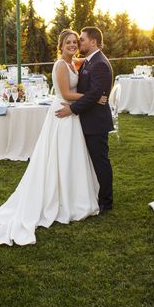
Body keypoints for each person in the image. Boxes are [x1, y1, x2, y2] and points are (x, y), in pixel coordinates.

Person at [0, 29, 104, 246]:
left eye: (74, 42)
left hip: (72, 115)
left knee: (71, 157)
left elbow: (86, 62)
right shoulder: (61, 65)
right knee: (59, 156)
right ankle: (59, 200)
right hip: (62, 113)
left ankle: (70, 196)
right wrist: (95, 97)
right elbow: (67, 94)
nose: (72, 45)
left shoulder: (73, 63)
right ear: (60, 46)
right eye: (68, 43)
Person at [55, 26, 114, 212]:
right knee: (86, 160)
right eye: (73, 41)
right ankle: (84, 193)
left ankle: (105, 201)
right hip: (85, 120)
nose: (78, 43)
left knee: (100, 161)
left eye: (81, 39)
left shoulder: (100, 64)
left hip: (95, 122)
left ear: (93, 42)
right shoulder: (88, 61)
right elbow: (91, 93)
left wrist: (72, 109)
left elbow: (94, 94)